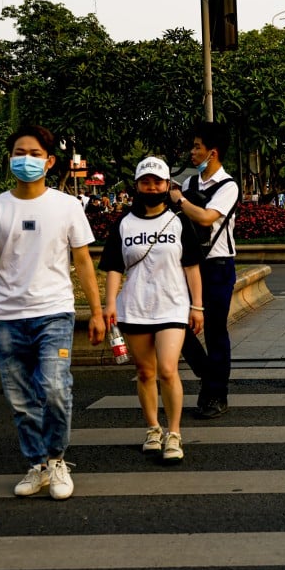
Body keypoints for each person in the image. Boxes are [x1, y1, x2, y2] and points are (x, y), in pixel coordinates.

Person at [0, 124, 106, 500]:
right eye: (19, 153)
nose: (26, 160)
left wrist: (98, 312)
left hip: (54, 312)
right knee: (20, 399)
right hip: (9, 317)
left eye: (35, 154)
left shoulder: (67, 206)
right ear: (10, 159)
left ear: (50, 160)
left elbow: (84, 262)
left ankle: (56, 459)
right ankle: (37, 463)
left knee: (55, 388)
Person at [100, 157, 204, 462]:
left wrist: (197, 306)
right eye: (146, 182)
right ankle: (152, 429)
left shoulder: (178, 221)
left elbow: (192, 266)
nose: (152, 187)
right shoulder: (124, 223)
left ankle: (174, 433)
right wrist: (109, 304)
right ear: (137, 186)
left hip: (172, 306)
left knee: (168, 370)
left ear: (167, 185)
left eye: (158, 182)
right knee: (145, 372)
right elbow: (114, 268)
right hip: (134, 308)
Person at [168, 121, 239, 420]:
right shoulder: (189, 184)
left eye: (197, 146)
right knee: (176, 321)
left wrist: (180, 201)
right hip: (190, 264)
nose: (192, 151)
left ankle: (215, 394)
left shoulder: (229, 186)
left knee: (214, 331)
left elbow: (207, 218)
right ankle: (210, 373)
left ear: (213, 153)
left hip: (219, 265)